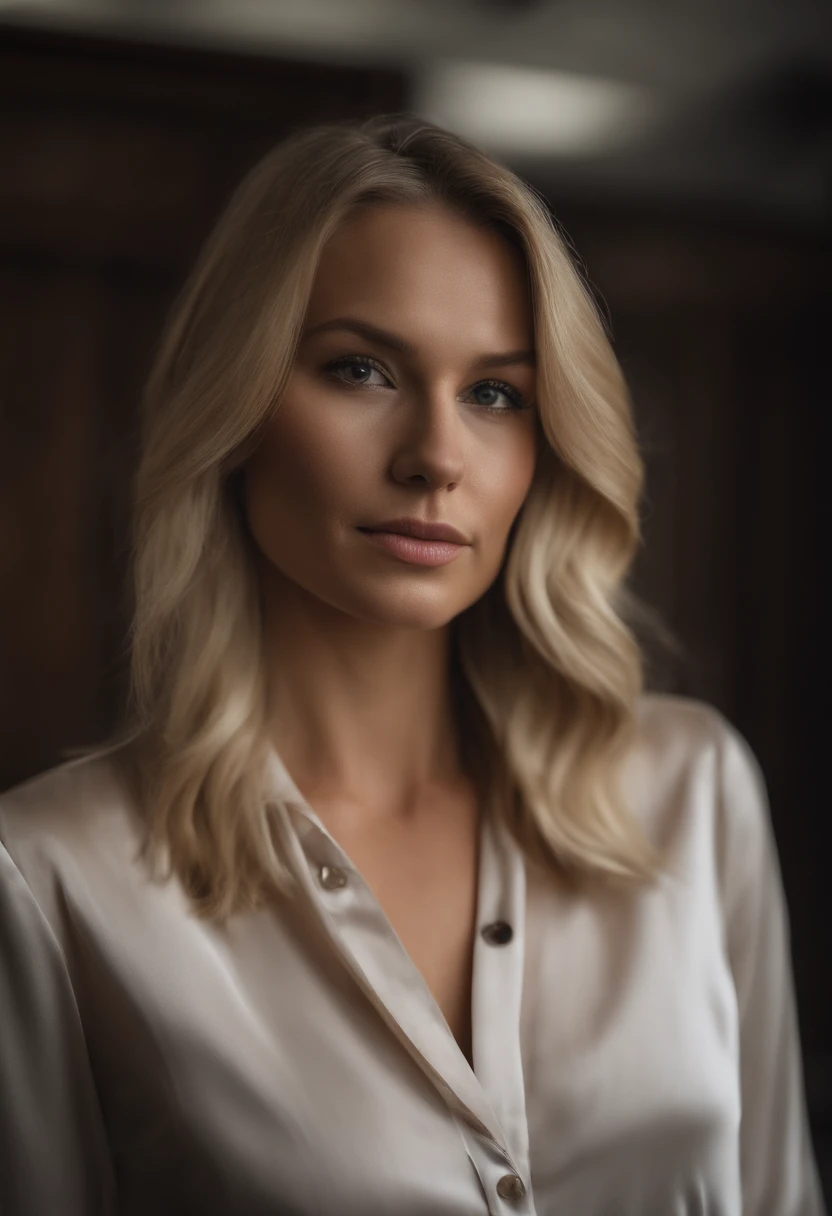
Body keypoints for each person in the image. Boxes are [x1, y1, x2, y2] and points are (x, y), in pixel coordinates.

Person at [0, 112, 824, 1216]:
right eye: (361, 369)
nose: (436, 456)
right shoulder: (51, 880)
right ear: (235, 405)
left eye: (495, 393)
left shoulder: (690, 788)